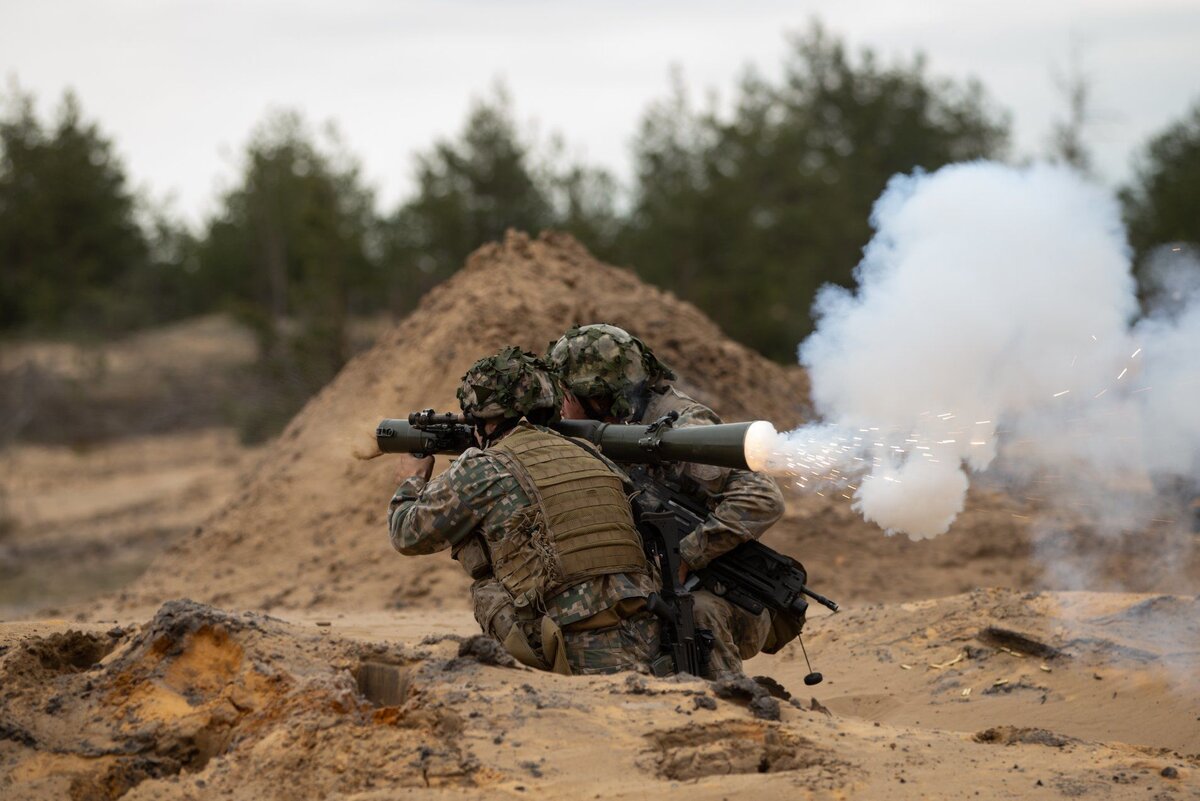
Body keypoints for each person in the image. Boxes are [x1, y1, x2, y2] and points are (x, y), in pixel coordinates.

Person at [387, 346, 660, 675]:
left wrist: (410, 481)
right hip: (646, 643)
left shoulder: (482, 468)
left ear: (484, 419)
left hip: (568, 651)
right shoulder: (591, 453)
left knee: (489, 591)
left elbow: (407, 535)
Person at [546, 324, 788, 680]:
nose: (561, 404)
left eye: (566, 393)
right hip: (651, 584)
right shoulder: (598, 428)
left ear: (596, 396)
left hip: (726, 594)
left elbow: (763, 498)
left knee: (698, 614)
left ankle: (731, 700)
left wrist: (686, 556)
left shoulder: (680, 425)